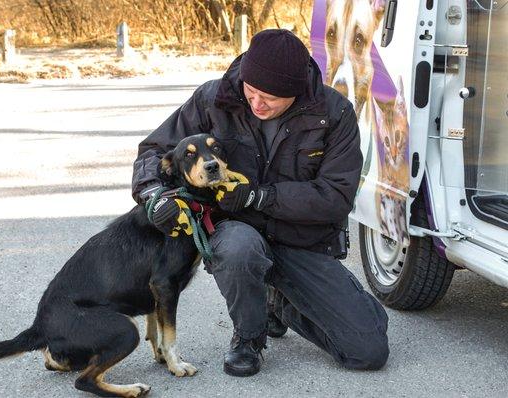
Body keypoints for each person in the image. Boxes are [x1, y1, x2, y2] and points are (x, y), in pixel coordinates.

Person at [132, 29, 389, 377]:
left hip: (301, 239)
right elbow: (155, 151)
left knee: (367, 350)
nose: (256, 103)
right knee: (239, 248)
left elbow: (337, 196)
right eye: (251, 91)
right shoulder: (216, 97)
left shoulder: (333, 112)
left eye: (269, 97)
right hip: (235, 233)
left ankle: (279, 304)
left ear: (296, 92)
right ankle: (249, 338)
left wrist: (260, 195)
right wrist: (153, 196)